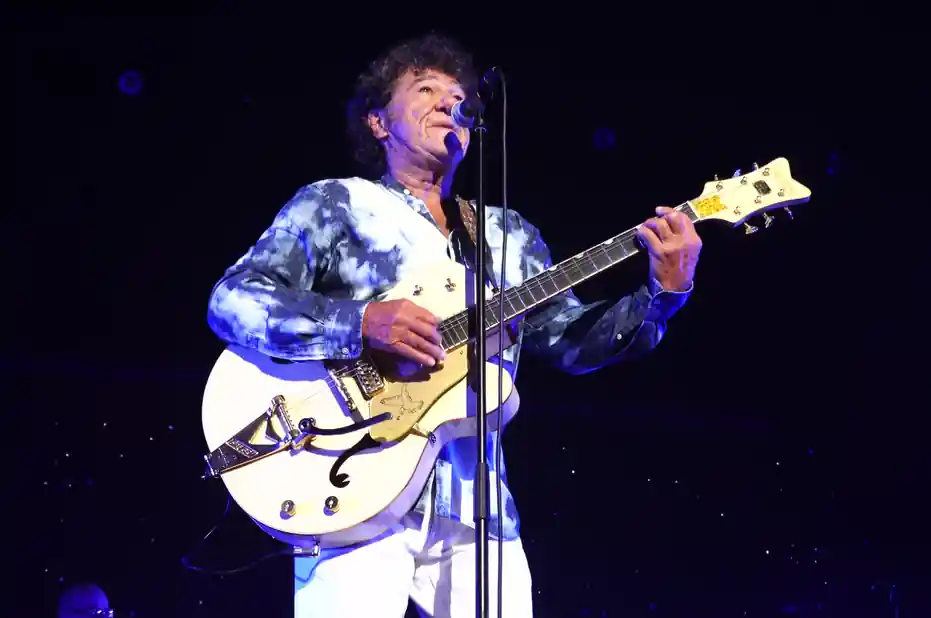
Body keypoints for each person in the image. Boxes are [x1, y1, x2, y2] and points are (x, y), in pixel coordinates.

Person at [206, 32, 702, 618]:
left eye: (459, 95)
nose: (450, 101)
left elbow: (571, 342)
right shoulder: (336, 204)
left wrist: (663, 295)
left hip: (477, 507)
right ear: (378, 124)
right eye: (425, 89)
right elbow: (234, 300)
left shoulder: (509, 235)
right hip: (349, 484)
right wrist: (361, 321)